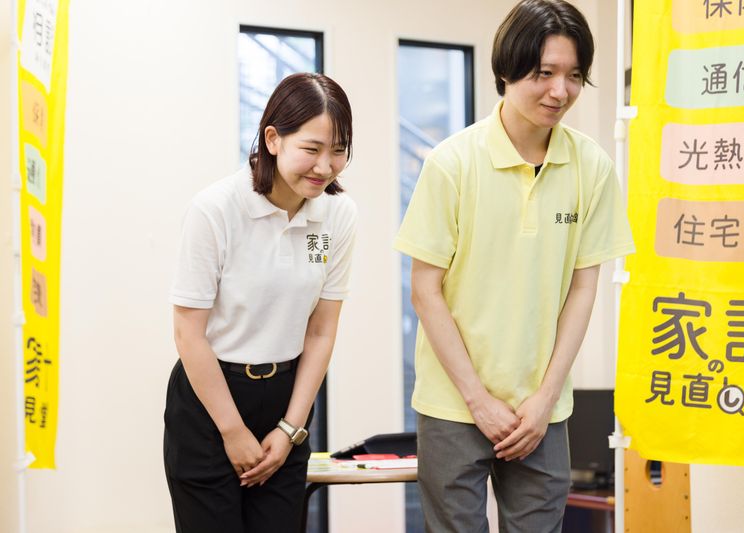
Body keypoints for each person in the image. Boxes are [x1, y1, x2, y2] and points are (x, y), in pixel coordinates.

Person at [394, 1, 635, 531]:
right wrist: (478, 400)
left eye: (574, 76)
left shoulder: (593, 167)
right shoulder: (452, 163)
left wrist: (546, 398)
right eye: (543, 73)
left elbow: (583, 290)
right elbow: (425, 291)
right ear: (506, 70)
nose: (560, 91)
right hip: (454, 404)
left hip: (541, 411)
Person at [163, 72, 357, 533]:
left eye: (338, 150)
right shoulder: (216, 209)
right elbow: (188, 334)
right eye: (311, 149)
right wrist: (232, 432)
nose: (325, 166)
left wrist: (290, 429)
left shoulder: (337, 215)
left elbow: (321, 331)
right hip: (210, 402)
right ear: (273, 139)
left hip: (287, 402)